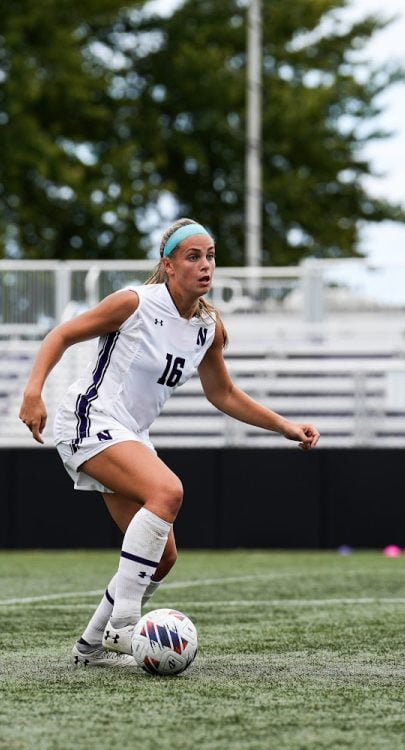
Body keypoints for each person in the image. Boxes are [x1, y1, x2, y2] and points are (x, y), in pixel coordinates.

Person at [18, 218, 321, 667]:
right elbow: (61, 334)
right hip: (89, 418)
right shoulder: (134, 302)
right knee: (168, 491)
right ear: (169, 265)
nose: (205, 265)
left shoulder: (207, 326)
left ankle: (90, 647)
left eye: (211, 255)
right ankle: (124, 626)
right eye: (193, 256)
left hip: (129, 433)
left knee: (161, 560)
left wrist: (284, 426)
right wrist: (33, 391)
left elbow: (223, 394)